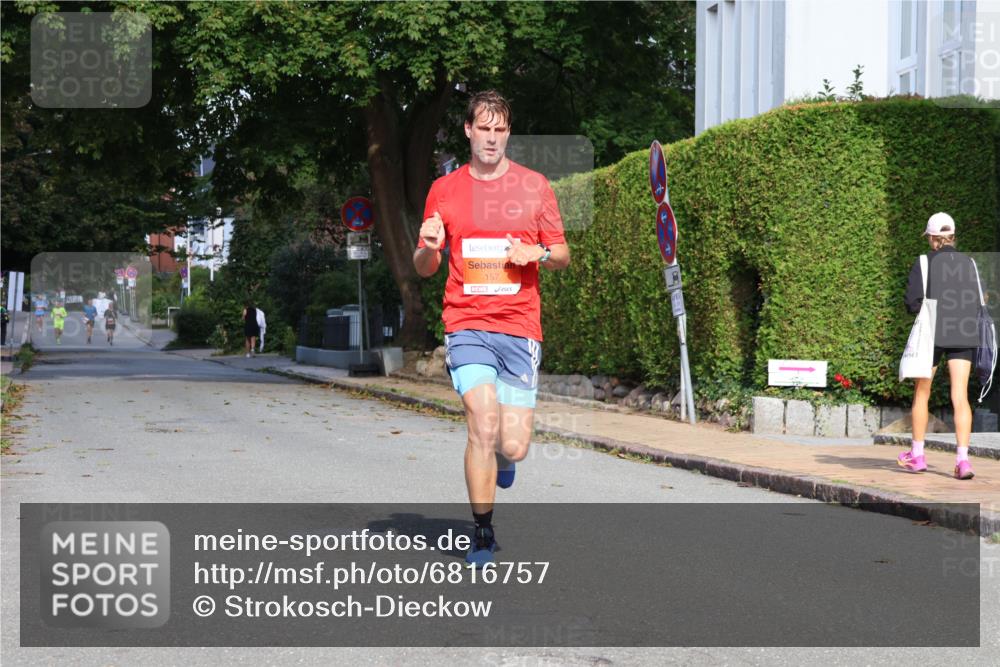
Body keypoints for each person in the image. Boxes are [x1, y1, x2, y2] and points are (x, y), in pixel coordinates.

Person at [413, 90, 570, 566]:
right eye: (484, 128)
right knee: (481, 423)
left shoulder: (535, 186)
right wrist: (426, 245)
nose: (492, 138)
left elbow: (562, 254)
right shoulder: (444, 189)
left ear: (508, 133)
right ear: (468, 130)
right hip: (467, 324)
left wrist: (536, 253)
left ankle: (504, 460)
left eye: (500, 130)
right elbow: (425, 266)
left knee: (513, 445)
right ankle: (482, 532)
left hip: (520, 327)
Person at [899, 212, 982, 480]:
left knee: (922, 393)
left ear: (934, 238)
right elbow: (979, 303)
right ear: (953, 237)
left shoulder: (924, 262)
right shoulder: (969, 263)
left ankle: (918, 455)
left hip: (933, 330)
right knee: (960, 395)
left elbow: (912, 303)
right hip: (964, 330)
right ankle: (963, 461)